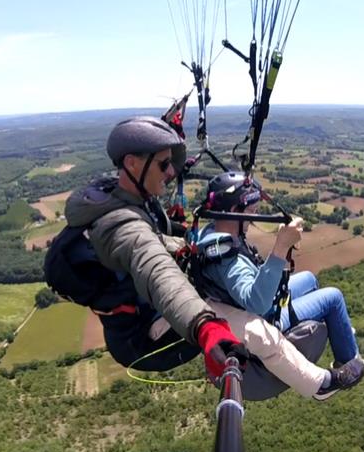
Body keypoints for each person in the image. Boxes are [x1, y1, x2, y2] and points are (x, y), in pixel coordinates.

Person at [63, 116, 243, 379]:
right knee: (229, 301)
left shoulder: (127, 195)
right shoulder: (121, 226)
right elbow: (156, 268)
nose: (171, 172)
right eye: (164, 164)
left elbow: (157, 228)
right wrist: (206, 326)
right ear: (132, 164)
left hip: (143, 318)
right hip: (143, 339)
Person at [194, 171, 364, 380]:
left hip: (251, 299)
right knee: (333, 298)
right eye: (252, 211)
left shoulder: (212, 235)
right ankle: (349, 359)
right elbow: (257, 302)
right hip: (265, 315)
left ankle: (339, 330)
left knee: (309, 278)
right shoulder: (228, 257)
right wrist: (281, 246)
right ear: (235, 211)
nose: (252, 219)